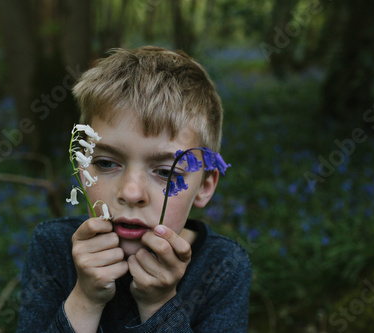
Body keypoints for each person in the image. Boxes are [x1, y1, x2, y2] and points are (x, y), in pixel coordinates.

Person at [17, 46, 252, 332]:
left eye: (166, 172)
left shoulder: (223, 268)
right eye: (105, 163)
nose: (130, 193)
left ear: (204, 186)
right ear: (81, 168)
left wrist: (159, 305)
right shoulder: (53, 248)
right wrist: (86, 299)